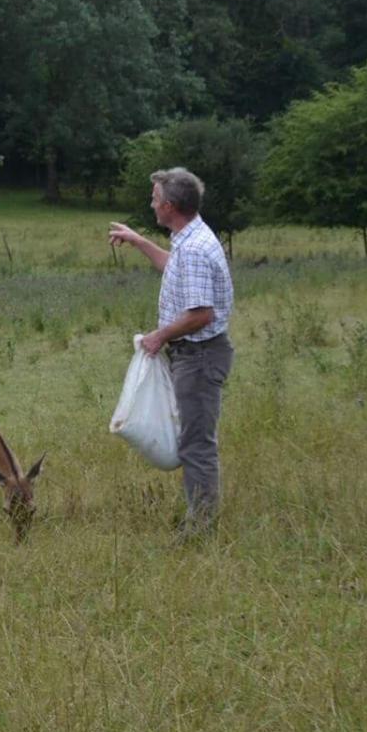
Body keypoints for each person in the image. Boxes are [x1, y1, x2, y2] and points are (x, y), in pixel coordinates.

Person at [108, 167, 235, 535]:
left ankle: (201, 528)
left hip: (199, 357)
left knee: (196, 445)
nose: (151, 204)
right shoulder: (188, 237)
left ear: (169, 205)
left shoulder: (194, 248)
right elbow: (172, 267)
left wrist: (159, 336)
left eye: (154, 198)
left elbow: (202, 313)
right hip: (195, 356)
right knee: (193, 439)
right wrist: (138, 241)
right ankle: (198, 518)